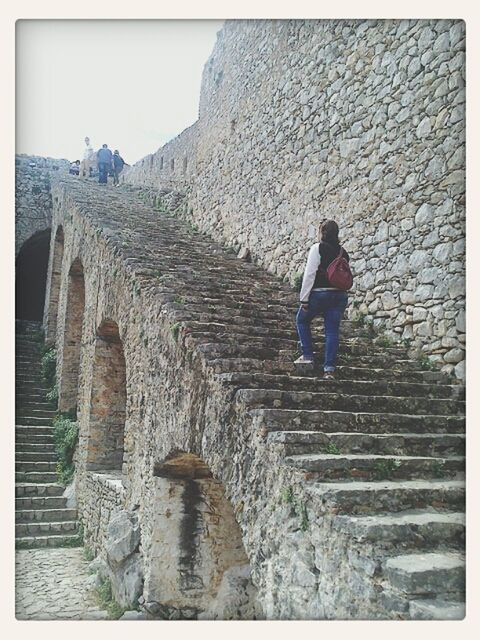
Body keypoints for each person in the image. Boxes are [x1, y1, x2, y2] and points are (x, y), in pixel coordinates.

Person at [294, 219, 350, 379]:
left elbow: (310, 274)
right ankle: (329, 369)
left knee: (302, 320)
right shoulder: (343, 252)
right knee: (332, 331)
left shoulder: (317, 248)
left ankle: (308, 356)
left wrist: (304, 299)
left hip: (320, 293)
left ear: (322, 233)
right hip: (339, 295)